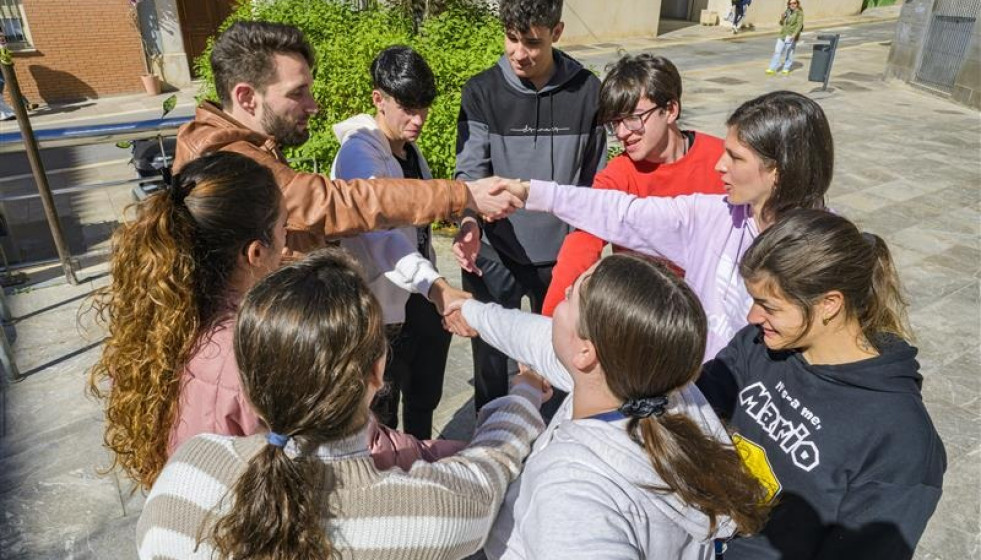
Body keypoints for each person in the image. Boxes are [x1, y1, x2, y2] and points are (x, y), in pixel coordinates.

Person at [136, 249, 548, 560]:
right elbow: (492, 463)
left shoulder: (188, 471)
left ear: (249, 378)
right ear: (376, 372)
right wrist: (526, 390)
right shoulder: (431, 514)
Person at [88, 153, 463, 492]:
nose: (287, 244)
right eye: (284, 228)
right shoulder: (266, 346)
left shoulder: (165, 321)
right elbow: (355, 448)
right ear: (255, 252)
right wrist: (472, 452)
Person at [445, 254, 769, 558]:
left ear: (586, 353)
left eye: (572, 296)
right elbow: (532, 337)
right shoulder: (658, 387)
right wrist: (470, 311)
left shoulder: (572, 494)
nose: (566, 289)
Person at [490, 90, 833, 363]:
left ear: (778, 169)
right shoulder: (714, 214)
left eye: (736, 157)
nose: (719, 165)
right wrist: (529, 192)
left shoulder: (823, 252)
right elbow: (621, 213)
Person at [697, 209, 946, 559]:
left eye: (769, 306)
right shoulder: (758, 345)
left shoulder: (900, 438)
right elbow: (690, 415)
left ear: (829, 304)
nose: (752, 316)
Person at [174, 21, 520, 260]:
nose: (313, 105)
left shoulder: (247, 146)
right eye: (297, 93)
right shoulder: (227, 161)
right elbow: (337, 203)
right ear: (247, 97)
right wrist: (461, 195)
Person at [453, 0, 606, 412]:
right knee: (490, 359)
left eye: (532, 43)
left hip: (561, 257)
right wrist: (469, 221)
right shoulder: (481, 90)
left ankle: (553, 437)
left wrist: (585, 250)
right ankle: (490, 434)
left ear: (557, 33)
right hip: (493, 251)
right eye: (511, 39)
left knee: (559, 360)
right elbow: (470, 172)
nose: (518, 53)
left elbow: (595, 182)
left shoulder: (588, 92)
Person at [330, 45, 462, 439]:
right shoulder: (358, 155)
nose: (418, 119)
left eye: (424, 108)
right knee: (379, 414)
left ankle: (421, 457)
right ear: (379, 99)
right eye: (407, 108)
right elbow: (380, 236)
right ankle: (387, 472)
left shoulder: (407, 148)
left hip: (420, 295)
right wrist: (437, 286)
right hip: (381, 307)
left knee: (424, 396)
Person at [541, 53, 725, 316]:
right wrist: (550, 322)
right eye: (615, 123)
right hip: (646, 316)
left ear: (670, 110)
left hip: (714, 310)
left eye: (633, 118)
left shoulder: (723, 160)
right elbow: (581, 245)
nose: (622, 133)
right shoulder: (618, 175)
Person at [766, 0, 804, 76]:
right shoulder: (787, 11)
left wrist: (794, 34)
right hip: (782, 35)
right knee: (777, 52)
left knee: (789, 53)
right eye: (790, 3)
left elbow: (799, 25)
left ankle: (786, 68)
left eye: (794, 3)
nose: (792, 5)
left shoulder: (799, 13)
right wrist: (782, 18)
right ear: (788, 5)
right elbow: (781, 23)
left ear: (797, 4)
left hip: (791, 36)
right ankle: (772, 68)